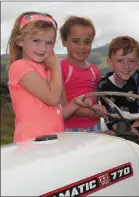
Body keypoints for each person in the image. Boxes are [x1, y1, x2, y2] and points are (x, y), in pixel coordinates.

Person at [7, 11, 92, 142]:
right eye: (36, 41)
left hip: (54, 142)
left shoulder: (48, 70)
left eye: (49, 43)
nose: (43, 48)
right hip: (30, 143)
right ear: (20, 41)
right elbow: (52, 99)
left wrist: (74, 103)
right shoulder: (19, 67)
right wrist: (56, 66)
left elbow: (57, 114)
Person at [59, 16, 110, 134]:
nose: (82, 47)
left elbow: (96, 99)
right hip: (69, 129)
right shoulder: (60, 68)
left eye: (87, 42)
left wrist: (101, 109)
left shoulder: (94, 70)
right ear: (64, 42)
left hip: (94, 126)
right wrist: (91, 112)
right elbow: (63, 106)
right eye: (76, 41)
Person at [97, 35, 139, 136]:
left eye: (131, 61)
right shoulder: (103, 86)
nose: (126, 66)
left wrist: (134, 128)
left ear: (138, 62)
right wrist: (119, 128)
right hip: (117, 127)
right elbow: (108, 115)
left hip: (138, 125)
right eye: (120, 60)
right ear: (110, 62)